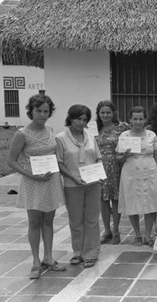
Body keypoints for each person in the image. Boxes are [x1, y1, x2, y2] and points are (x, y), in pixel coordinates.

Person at [7, 94, 66, 279]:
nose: (42, 114)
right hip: (32, 182)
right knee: (34, 222)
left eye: (46, 111)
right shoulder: (22, 134)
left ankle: (48, 257)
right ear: (30, 111)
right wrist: (32, 174)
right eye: (38, 111)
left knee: (48, 221)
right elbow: (11, 161)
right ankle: (35, 260)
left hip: (50, 180)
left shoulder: (50, 129)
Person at [56, 104, 102, 268]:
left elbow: (98, 158)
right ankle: (78, 252)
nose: (81, 122)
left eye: (85, 119)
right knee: (76, 220)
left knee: (92, 219)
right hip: (72, 184)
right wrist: (74, 178)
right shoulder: (61, 138)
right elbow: (59, 163)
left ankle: (91, 252)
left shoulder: (90, 136)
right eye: (78, 119)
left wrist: (100, 174)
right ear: (70, 118)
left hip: (93, 183)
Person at [116, 106, 157, 246]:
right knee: (132, 202)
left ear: (145, 120)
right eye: (135, 119)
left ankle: (148, 235)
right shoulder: (124, 136)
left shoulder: (151, 135)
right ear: (130, 119)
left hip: (149, 170)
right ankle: (137, 234)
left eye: (141, 119)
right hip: (130, 170)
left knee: (150, 203)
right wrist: (124, 155)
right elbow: (118, 157)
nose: (138, 122)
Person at [95, 100, 130, 245]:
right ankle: (106, 230)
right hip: (98, 167)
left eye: (108, 112)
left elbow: (136, 133)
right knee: (102, 199)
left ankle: (116, 230)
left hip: (116, 166)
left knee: (115, 199)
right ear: (98, 114)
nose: (105, 115)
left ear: (113, 113)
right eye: (102, 112)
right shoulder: (93, 128)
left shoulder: (122, 127)